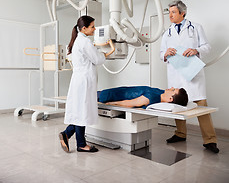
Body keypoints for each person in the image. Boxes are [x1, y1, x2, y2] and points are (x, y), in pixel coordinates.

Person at [160, 0, 219, 153]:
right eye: (169, 12)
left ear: (182, 13)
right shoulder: (167, 33)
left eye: (173, 12)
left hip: (193, 74)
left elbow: (207, 47)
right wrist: (165, 54)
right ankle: (180, 134)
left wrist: (196, 50)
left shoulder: (196, 28)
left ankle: (210, 140)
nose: (170, 15)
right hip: (176, 75)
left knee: (201, 107)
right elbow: (161, 54)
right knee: (177, 106)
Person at [59, 15, 114, 153]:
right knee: (82, 112)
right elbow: (97, 59)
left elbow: (91, 56)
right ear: (84, 28)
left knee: (79, 111)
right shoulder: (85, 42)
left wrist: (99, 53)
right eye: (92, 26)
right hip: (84, 81)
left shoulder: (79, 40)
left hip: (79, 80)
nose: (95, 29)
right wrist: (109, 52)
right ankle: (81, 144)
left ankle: (67, 134)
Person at [98, 86, 188, 108]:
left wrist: (111, 104)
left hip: (107, 96)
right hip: (113, 91)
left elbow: (130, 103)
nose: (171, 88)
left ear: (170, 99)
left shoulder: (151, 97)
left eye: (173, 90)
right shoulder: (161, 92)